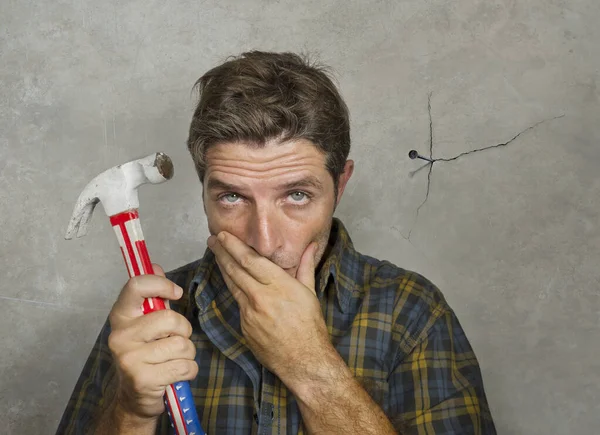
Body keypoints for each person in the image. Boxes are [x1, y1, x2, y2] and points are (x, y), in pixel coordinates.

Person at [56, 50, 496, 434]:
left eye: (297, 195)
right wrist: (131, 413)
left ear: (340, 185)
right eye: (231, 196)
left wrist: (310, 366)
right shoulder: (149, 319)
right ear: (203, 188)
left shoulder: (412, 312)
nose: (264, 242)